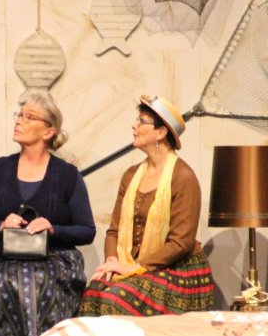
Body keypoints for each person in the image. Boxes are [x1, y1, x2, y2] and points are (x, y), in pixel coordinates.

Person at [0, 90, 95, 336]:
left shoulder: (67, 175)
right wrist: (1, 225)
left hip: (52, 260)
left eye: (29, 116)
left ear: (48, 131)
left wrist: (53, 229)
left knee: (37, 286)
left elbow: (86, 230)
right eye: (19, 115)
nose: (19, 120)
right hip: (0, 259)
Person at [79, 95, 214, 316]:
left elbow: (181, 243)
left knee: (115, 299)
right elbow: (114, 231)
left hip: (176, 270)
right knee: (92, 293)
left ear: (161, 132)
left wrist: (135, 267)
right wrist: (112, 262)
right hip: (134, 265)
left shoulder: (183, 176)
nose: (134, 126)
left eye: (142, 121)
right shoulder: (131, 175)